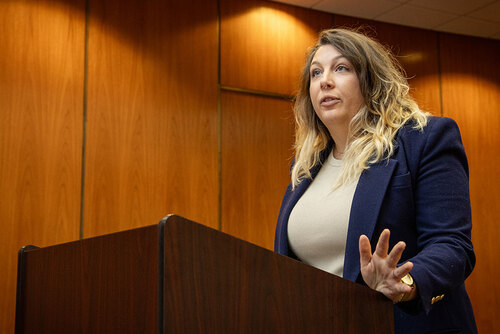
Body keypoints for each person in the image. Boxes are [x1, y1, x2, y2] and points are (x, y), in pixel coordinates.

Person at [274, 28, 477, 333]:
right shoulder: (305, 167)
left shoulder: (424, 140)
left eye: (341, 68)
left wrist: (406, 282)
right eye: (316, 73)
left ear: (372, 80)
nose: (324, 81)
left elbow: (452, 245)